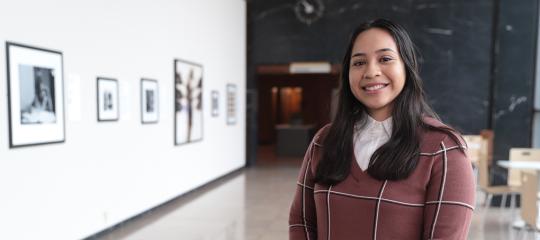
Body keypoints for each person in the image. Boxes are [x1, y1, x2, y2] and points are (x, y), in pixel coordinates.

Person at [289, 19, 475, 240]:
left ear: (407, 66)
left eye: (385, 59)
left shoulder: (444, 149)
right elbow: (302, 221)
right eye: (358, 63)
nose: (371, 71)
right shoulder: (324, 140)